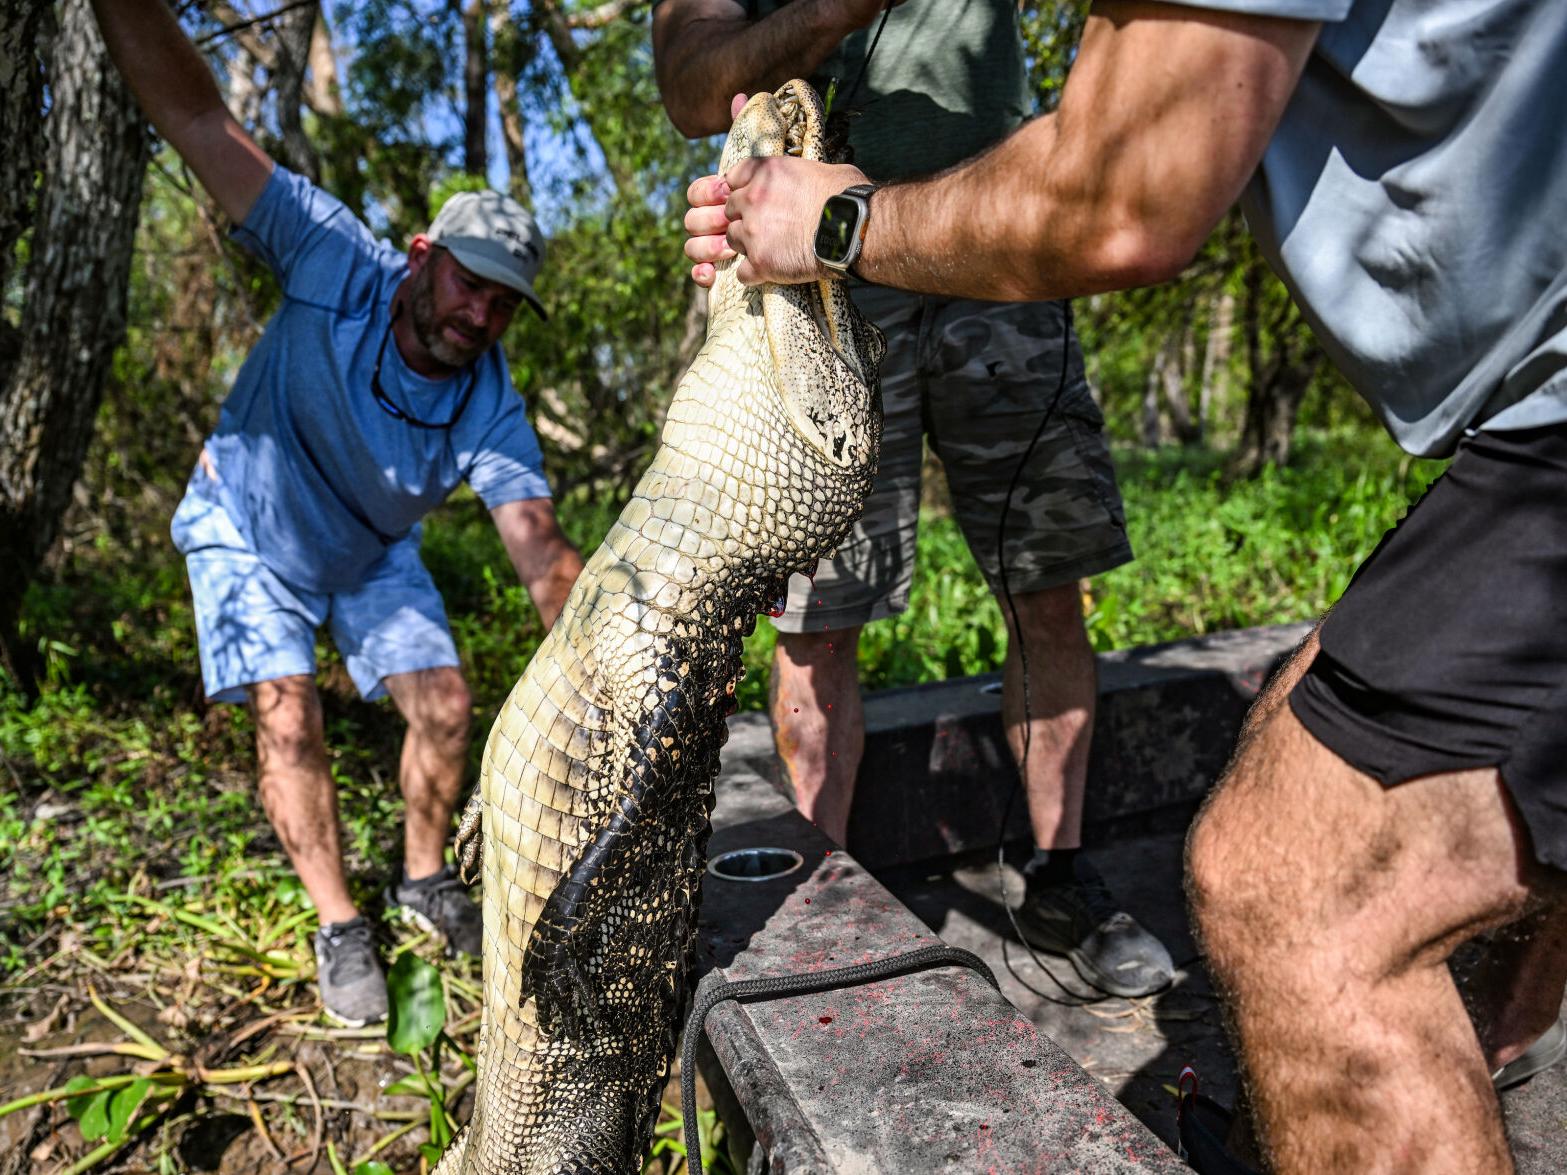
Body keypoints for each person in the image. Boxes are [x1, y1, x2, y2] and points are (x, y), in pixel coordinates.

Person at [680, 0, 1567, 1169]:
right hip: (1526, 419)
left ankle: (1079, 887)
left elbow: (1122, 194)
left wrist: (835, 215)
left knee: (1291, 891)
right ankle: (1480, 1051)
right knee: (1303, 716)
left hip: (1530, 420)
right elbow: (695, 72)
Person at [652, 0, 1175, 1000]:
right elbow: (689, 85)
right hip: (818, 261)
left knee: (1047, 576)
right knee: (818, 615)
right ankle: (816, 906)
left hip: (999, 234)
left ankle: (1060, 878)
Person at [90, 0, 585, 1027]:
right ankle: (337, 919)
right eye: (467, 283)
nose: (477, 316)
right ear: (419, 255)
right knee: (289, 715)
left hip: (366, 548)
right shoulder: (333, 261)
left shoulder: (487, 399)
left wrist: (612, 671)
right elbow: (196, 123)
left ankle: (419, 876)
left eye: (502, 305)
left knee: (446, 705)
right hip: (247, 523)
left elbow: (541, 556)